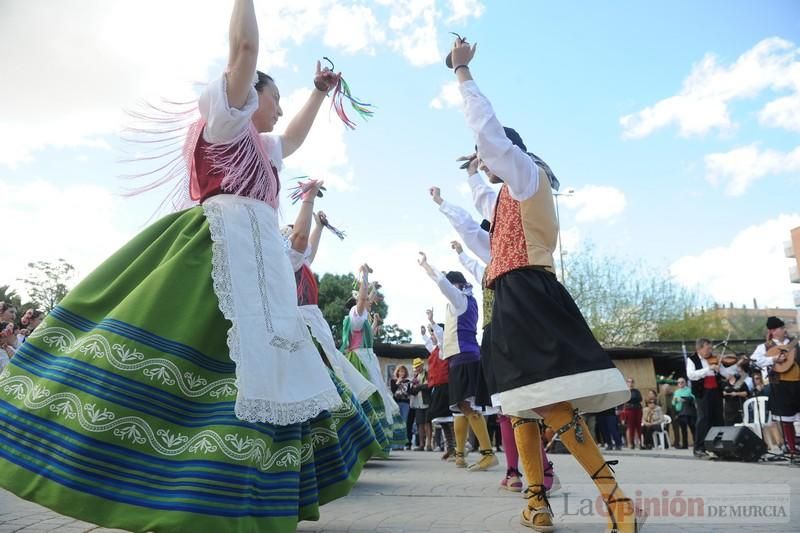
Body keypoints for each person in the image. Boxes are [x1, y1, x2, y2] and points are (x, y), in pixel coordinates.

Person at [0, 2, 377, 530]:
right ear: (253, 92)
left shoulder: (264, 148)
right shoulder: (223, 119)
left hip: (262, 271)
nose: (277, 105)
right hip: (219, 256)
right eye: (277, 96)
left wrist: (317, 92)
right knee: (217, 374)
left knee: (254, 382)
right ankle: (166, 489)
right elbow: (244, 49)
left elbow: (291, 139)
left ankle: (225, 502)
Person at [448, 38, 637, 532]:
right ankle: (536, 499)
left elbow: (490, 137)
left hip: (530, 293)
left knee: (550, 401)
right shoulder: (504, 198)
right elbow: (476, 224)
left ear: (511, 152)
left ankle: (615, 498)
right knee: (518, 405)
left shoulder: (527, 177)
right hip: (508, 298)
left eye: (486, 158)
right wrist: (462, 183)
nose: (484, 162)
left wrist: (463, 73)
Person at [284, 198, 387, 458]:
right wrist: (308, 198)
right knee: (324, 379)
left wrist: (319, 226)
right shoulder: (289, 261)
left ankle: (333, 440)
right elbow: (300, 240)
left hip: (311, 325)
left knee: (330, 377)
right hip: (302, 326)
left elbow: (309, 246)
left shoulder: (300, 264)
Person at [417, 253, 498, 472]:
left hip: (465, 357)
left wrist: (427, 265)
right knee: (459, 410)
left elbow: (443, 284)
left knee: (466, 406)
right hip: (460, 358)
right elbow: (445, 338)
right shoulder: (466, 302)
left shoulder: (461, 299)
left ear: (457, 285)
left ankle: (488, 453)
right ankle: (460, 455)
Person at [750, 316, 799, 456]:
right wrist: (773, 359)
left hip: (798, 382)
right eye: (781, 328)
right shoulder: (765, 347)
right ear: (772, 331)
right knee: (787, 417)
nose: (784, 330)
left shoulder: (794, 343)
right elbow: (754, 361)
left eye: (783, 328)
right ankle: (791, 447)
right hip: (780, 384)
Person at [687, 338, 737, 458]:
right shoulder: (692, 359)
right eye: (707, 348)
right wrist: (708, 369)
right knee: (703, 419)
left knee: (718, 418)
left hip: (716, 391)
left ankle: (719, 447)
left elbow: (724, 372)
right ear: (699, 348)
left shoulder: (714, 359)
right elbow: (691, 375)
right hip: (702, 391)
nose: (710, 351)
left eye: (710, 348)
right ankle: (699, 448)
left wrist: (730, 374)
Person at [409, 358, 432, 450]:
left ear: (422, 365)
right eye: (416, 367)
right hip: (417, 403)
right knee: (420, 424)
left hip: (426, 401)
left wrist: (418, 387)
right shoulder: (415, 376)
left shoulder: (427, 374)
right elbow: (412, 390)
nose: (417, 368)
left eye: (418, 366)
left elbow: (429, 385)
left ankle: (429, 444)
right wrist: (416, 388)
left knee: (427, 423)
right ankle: (421, 444)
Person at [391, 365, 413, 449]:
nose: (401, 373)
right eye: (400, 371)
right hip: (396, 403)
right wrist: (398, 382)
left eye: (403, 371)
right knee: (395, 423)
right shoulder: (393, 381)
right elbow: (393, 390)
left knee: (403, 423)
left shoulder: (407, 381)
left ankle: (401, 445)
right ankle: (394, 444)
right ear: (397, 372)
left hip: (405, 403)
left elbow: (408, 392)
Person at [671, 378, 696, 449]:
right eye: (679, 382)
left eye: (682, 382)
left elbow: (693, 398)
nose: (680, 384)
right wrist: (675, 400)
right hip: (680, 412)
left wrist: (684, 399)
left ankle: (696, 443)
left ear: (685, 383)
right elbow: (673, 402)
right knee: (683, 429)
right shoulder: (676, 392)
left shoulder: (689, 390)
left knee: (693, 428)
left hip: (689, 412)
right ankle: (685, 445)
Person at [622, 378, 643, 449]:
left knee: (638, 426)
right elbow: (626, 399)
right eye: (629, 382)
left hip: (637, 409)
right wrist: (632, 399)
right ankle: (631, 443)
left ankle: (640, 443)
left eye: (632, 382)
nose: (630, 383)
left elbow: (640, 398)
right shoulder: (625, 391)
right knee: (630, 427)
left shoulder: (636, 391)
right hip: (629, 410)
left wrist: (631, 399)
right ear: (626, 383)